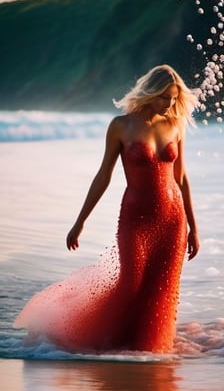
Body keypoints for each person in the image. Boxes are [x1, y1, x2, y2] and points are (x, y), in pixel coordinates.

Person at [14, 64, 200, 354]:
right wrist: (80, 221)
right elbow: (104, 175)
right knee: (130, 284)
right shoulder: (120, 126)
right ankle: (99, 339)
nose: (170, 104)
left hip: (172, 220)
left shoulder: (174, 125)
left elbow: (182, 178)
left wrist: (194, 227)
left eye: (174, 98)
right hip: (135, 218)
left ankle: (147, 351)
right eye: (165, 97)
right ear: (151, 93)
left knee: (161, 291)